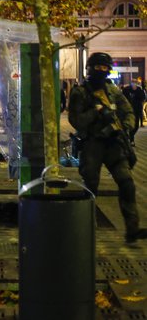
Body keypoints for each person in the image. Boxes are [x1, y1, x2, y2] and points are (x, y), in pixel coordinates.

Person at [69, 52, 147, 244]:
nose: (101, 71)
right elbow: (76, 120)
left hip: (113, 143)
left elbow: (128, 111)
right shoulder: (80, 92)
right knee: (90, 186)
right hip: (92, 144)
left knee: (127, 182)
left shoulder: (113, 91)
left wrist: (125, 127)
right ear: (90, 68)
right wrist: (96, 113)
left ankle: (132, 228)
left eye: (105, 68)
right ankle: (85, 228)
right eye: (98, 67)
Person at [122, 80, 145, 145]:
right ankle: (131, 139)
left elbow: (143, 98)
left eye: (135, 83)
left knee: (136, 126)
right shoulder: (126, 89)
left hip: (137, 110)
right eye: (133, 83)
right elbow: (122, 98)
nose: (134, 84)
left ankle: (130, 136)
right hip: (128, 110)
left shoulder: (139, 90)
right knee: (129, 125)